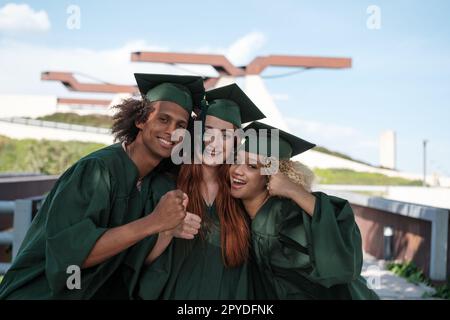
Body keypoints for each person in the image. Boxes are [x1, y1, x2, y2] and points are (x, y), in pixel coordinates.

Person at [0, 73, 205, 299]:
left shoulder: (150, 184)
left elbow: (130, 260)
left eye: (181, 125)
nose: (172, 131)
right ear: (141, 120)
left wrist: (166, 230)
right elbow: (72, 257)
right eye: (163, 119)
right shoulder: (96, 171)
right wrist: (154, 222)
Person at [137, 83, 265, 299]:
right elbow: (137, 262)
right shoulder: (164, 187)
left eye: (225, 135)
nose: (215, 142)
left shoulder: (243, 196)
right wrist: (167, 231)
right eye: (208, 132)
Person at [229, 121, 379, 299]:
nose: (237, 170)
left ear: (271, 176)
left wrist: (293, 189)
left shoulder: (290, 215)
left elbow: (339, 241)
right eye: (236, 161)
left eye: (252, 166)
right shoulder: (238, 214)